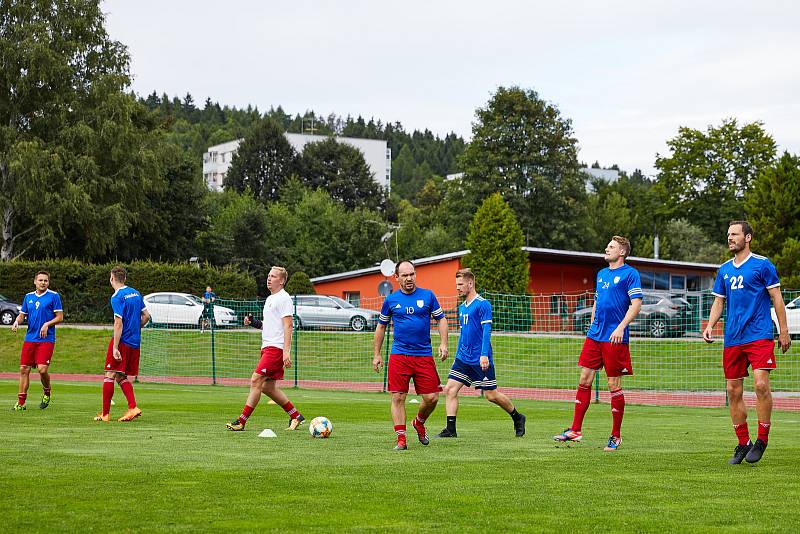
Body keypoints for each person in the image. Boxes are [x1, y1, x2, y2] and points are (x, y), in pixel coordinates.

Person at [703, 220, 791, 465]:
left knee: (761, 384)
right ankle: (743, 443)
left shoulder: (763, 265)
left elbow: (777, 298)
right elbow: (719, 301)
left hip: (760, 334)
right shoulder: (724, 270)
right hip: (733, 337)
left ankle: (762, 439)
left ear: (748, 237)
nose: (730, 238)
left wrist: (783, 331)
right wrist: (710, 325)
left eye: (735, 234)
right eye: (728, 234)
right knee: (733, 390)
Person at [553, 236, 643, 451]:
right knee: (584, 378)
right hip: (595, 336)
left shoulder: (630, 274)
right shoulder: (601, 274)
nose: (606, 249)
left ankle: (615, 436)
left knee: (614, 385)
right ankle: (575, 430)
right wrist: (593, 324)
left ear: (621, 252)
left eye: (611, 247)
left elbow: (636, 304)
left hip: (615, 337)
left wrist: (620, 327)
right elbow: (597, 301)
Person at [436, 268, 526, 438]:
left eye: (460, 284)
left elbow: (486, 331)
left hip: (480, 359)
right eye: (456, 285)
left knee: (491, 396)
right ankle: (450, 430)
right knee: (450, 389)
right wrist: (452, 352)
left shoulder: (483, 304)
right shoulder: (462, 308)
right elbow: (464, 334)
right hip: (463, 358)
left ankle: (518, 417)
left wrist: (484, 354)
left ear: (470, 283)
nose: (457, 288)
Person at [372, 260, 449, 450]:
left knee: (432, 398)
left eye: (412, 274)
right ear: (396, 278)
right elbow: (381, 327)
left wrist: (444, 343)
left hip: (423, 354)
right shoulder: (390, 300)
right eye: (405, 275)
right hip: (400, 355)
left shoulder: (428, 295)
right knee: (398, 397)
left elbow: (441, 320)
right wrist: (377, 354)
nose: (409, 278)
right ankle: (401, 439)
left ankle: (419, 422)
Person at [227, 266, 305, 431]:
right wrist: (253, 322)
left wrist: (286, 351)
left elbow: (288, 326)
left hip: (275, 350)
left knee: (255, 380)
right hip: (267, 347)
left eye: (273, 276)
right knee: (267, 387)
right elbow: (269, 326)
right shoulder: (270, 299)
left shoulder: (284, 298)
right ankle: (296, 416)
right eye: (269, 275)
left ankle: (241, 421)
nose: (269, 278)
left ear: (282, 281)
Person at [95, 266, 150, 422]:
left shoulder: (117, 296)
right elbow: (146, 316)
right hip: (135, 341)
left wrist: (115, 346)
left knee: (110, 373)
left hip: (123, 340)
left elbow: (118, 322)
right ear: (124, 278)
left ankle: (105, 414)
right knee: (120, 375)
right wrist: (135, 327)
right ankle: (132, 407)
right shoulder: (135, 293)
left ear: (111, 279)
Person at [11, 271, 63, 411]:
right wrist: (17, 321)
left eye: (45, 280)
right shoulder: (28, 297)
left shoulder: (54, 296)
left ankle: (47, 390)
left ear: (48, 282)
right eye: (40, 280)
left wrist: (47, 324)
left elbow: (59, 317)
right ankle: (21, 403)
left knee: (42, 369)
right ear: (35, 281)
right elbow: (22, 315)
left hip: (46, 339)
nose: (43, 282)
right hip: (30, 338)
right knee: (24, 369)